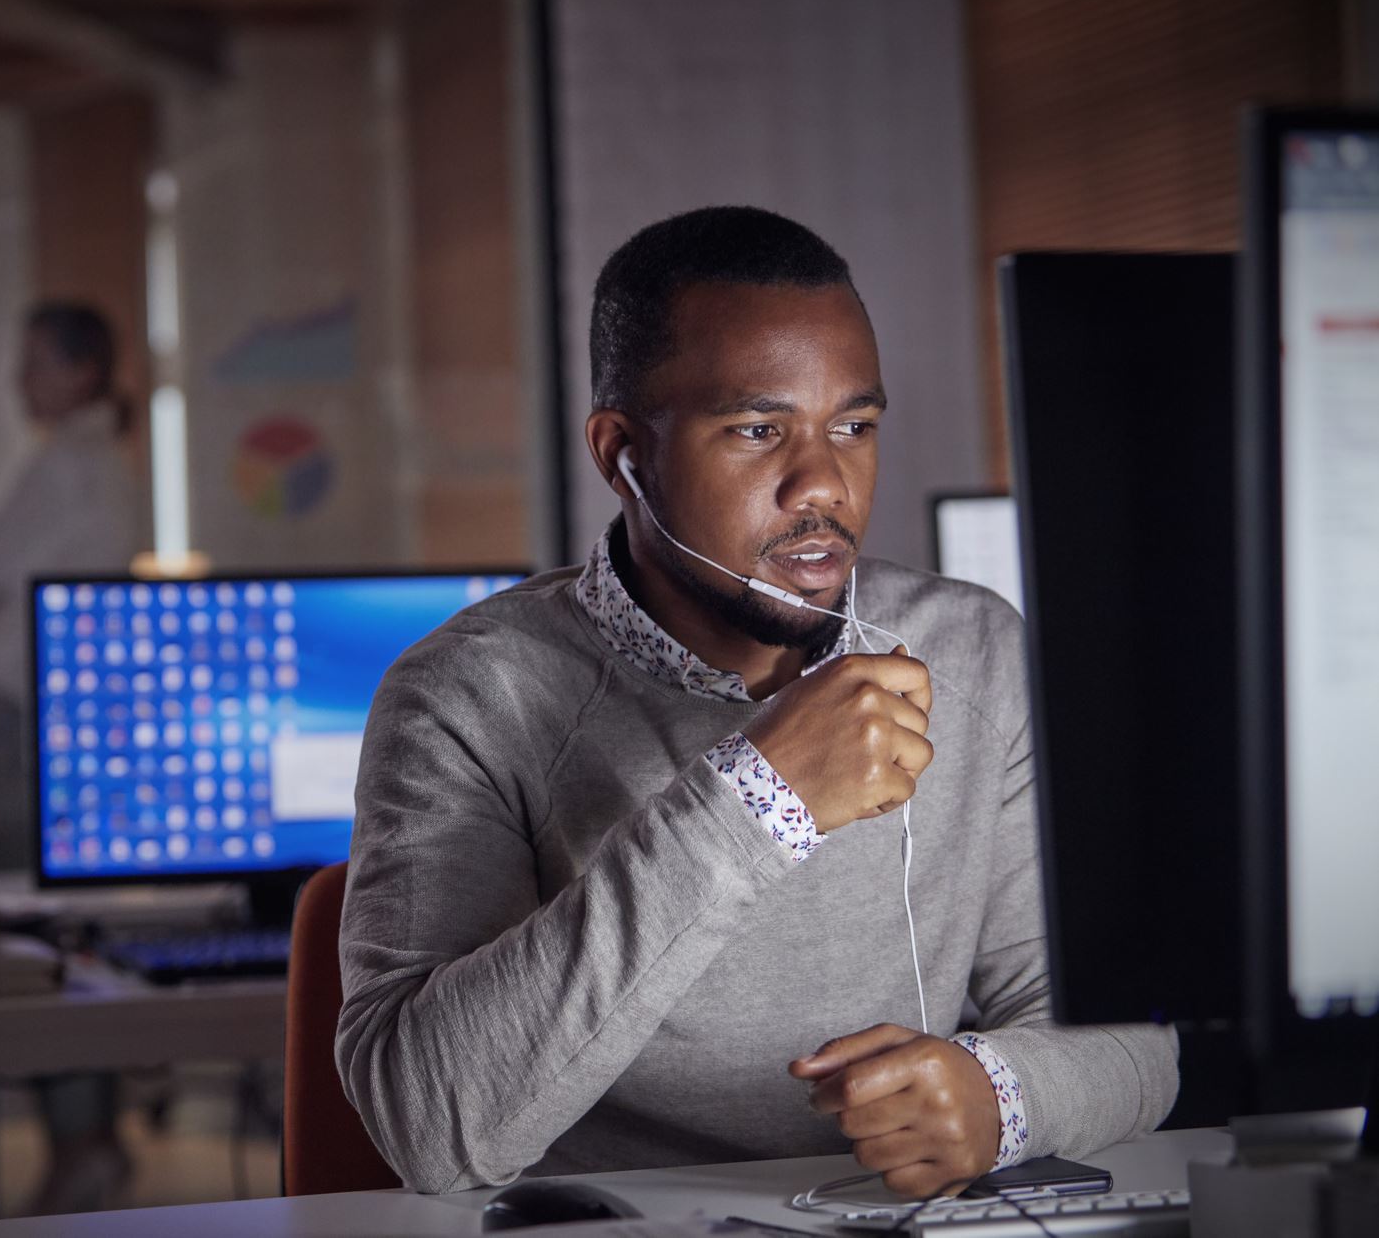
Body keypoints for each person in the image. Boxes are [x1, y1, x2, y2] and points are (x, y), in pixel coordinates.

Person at [336, 207, 1179, 1198]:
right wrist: (757, 796)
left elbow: (1142, 1045)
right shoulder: (466, 692)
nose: (823, 483)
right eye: (757, 429)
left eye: (854, 426)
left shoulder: (975, 648)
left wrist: (1003, 1093)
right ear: (622, 453)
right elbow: (429, 1126)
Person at [0, 301, 147, 1214]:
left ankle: (84, 1140)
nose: (18, 382)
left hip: (32, 719)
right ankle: (83, 1138)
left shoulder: (81, 472)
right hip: (36, 714)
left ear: (81, 371)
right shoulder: (77, 465)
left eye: (33, 361)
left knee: (44, 933)